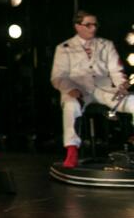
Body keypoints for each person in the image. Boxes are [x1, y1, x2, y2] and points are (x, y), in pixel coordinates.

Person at [51, 10, 133, 167]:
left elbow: (115, 70)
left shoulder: (106, 44)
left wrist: (121, 84)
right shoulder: (64, 48)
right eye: (88, 25)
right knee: (71, 107)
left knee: (133, 102)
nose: (93, 28)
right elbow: (58, 76)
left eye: (95, 24)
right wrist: (70, 89)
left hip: (105, 89)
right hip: (79, 89)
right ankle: (72, 150)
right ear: (77, 26)